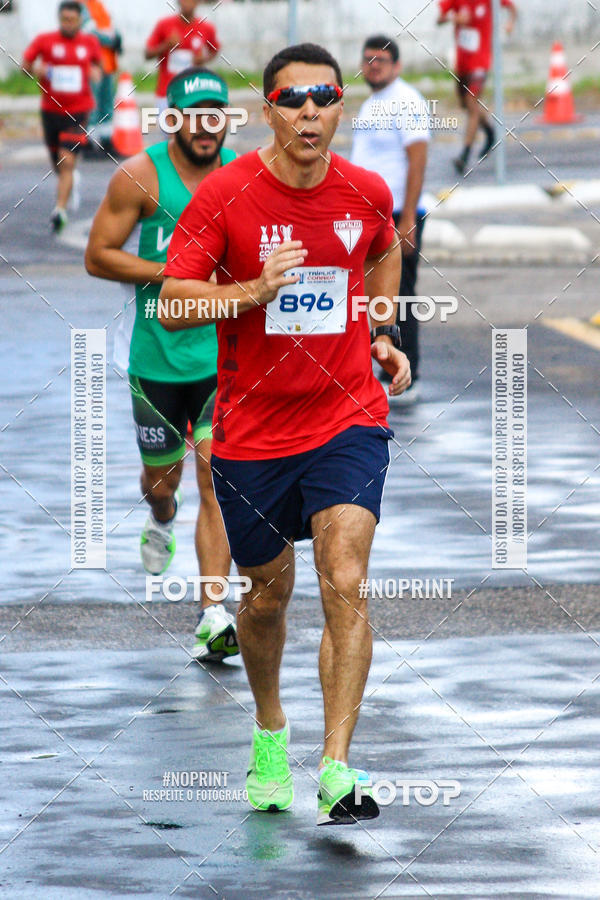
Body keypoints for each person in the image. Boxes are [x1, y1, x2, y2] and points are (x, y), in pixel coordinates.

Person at [159, 43, 411, 825]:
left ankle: (336, 766)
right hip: (254, 433)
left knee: (346, 576)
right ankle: (271, 729)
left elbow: (386, 246)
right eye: (293, 99)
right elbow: (172, 302)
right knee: (267, 597)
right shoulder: (228, 197)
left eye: (324, 98)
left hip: (347, 418)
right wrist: (250, 290)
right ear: (269, 109)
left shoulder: (364, 191)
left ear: (341, 106)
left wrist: (378, 331)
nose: (310, 113)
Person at [85, 68, 239, 663]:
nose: (206, 126)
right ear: (172, 117)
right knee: (165, 484)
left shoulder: (239, 175)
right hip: (153, 360)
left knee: (214, 478)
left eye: (216, 114)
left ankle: (213, 613)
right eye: (193, 115)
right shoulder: (141, 175)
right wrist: (174, 278)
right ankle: (160, 517)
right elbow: (98, 256)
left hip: (218, 358)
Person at [351, 34, 429, 401]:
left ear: (396, 65)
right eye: (368, 60)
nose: (373, 65)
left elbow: (418, 158)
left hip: (398, 212)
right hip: (368, 215)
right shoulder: (371, 104)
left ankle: (406, 370)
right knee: (373, 294)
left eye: (380, 60)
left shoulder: (406, 100)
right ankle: (380, 366)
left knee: (402, 293)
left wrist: (408, 216)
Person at [22, 0, 102, 232]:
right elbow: (25, 66)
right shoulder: (45, 41)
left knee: (66, 160)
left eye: (73, 20)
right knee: (58, 162)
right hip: (50, 110)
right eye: (65, 19)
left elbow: (101, 67)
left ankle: (60, 211)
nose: (69, 24)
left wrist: (96, 72)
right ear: (59, 19)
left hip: (78, 111)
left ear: (80, 21)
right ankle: (69, 182)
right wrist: (33, 70)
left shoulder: (89, 43)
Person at [438, 0, 517, 174]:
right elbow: (439, 19)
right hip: (462, 63)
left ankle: (464, 155)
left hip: (480, 62)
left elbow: (512, 7)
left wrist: (510, 23)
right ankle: (490, 131)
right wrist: (454, 17)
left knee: (471, 102)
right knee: (466, 104)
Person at [145, 0, 220, 116]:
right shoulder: (164, 24)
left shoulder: (206, 27)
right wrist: (166, 45)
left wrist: (203, 59)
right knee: (169, 132)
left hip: (193, 92)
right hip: (167, 92)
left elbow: (214, 50)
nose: (187, 3)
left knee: (191, 131)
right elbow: (147, 54)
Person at [81, 0, 122, 153]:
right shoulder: (79, 4)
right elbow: (88, 31)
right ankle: (89, 142)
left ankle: (106, 140)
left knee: (106, 104)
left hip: (107, 63)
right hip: (93, 63)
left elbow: (110, 27)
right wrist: (111, 39)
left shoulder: (99, 5)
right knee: (93, 104)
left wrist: (116, 37)